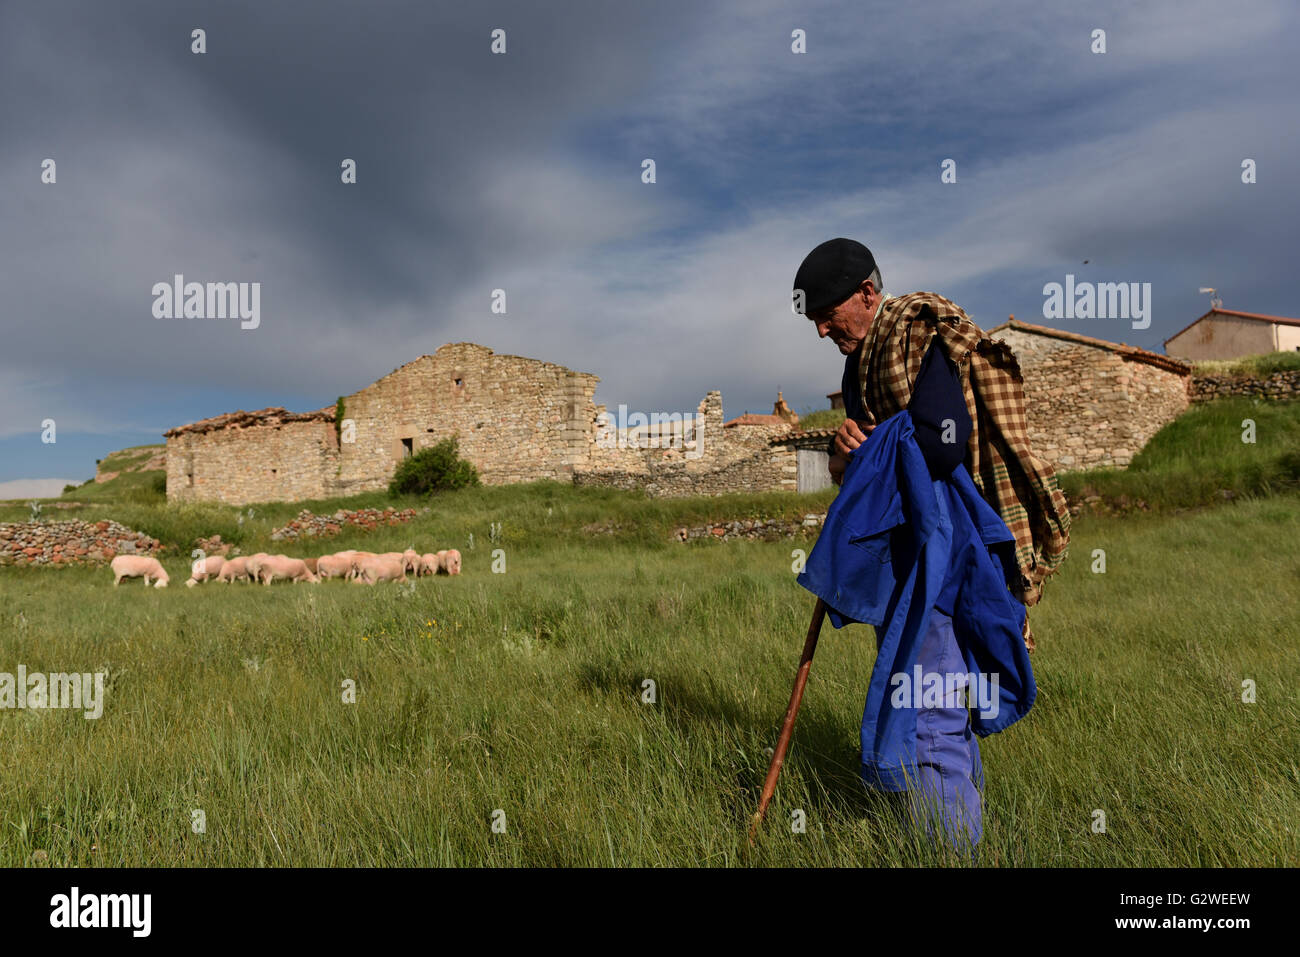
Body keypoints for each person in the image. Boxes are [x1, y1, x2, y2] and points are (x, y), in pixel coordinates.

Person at [793, 237, 1071, 850]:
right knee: (934, 705)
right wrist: (843, 461)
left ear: (868, 293)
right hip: (905, 556)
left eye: (826, 313)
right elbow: (877, 457)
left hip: (940, 555)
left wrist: (870, 450)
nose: (820, 330)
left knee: (929, 713)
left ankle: (946, 850)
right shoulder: (860, 362)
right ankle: (957, 838)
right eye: (812, 319)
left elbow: (942, 442)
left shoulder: (921, 335)